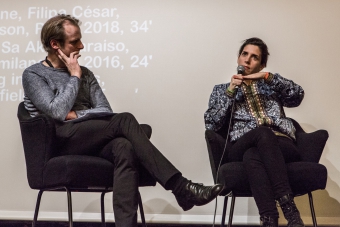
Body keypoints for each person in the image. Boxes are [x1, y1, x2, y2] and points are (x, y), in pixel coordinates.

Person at [22, 14, 223, 227]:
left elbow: (105, 110)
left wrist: (78, 114)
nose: (82, 45)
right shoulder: (34, 75)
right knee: (125, 120)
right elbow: (58, 111)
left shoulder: (86, 73)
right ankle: (181, 188)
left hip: (91, 136)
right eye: (74, 42)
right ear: (55, 44)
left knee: (124, 146)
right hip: (62, 140)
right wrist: (74, 76)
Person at [204, 37, 305, 227]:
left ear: (262, 64)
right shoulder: (221, 90)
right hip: (242, 144)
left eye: (254, 57)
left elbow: (297, 96)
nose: (248, 60)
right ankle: (290, 210)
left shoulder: (271, 86)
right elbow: (211, 123)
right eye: (244, 54)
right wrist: (231, 90)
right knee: (261, 134)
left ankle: (269, 220)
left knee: (254, 156)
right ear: (238, 58)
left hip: (280, 143)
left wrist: (268, 77)